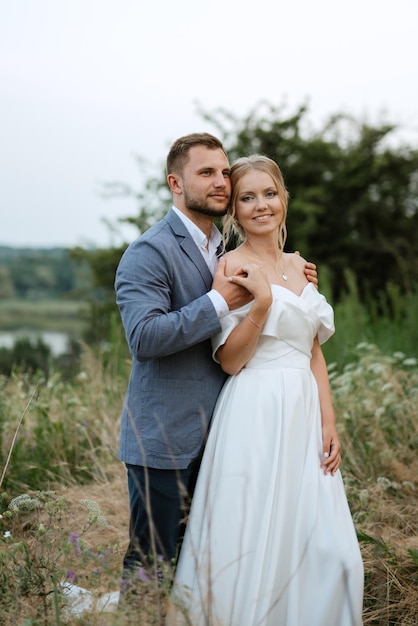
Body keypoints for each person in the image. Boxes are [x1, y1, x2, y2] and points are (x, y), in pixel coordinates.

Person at [114, 135, 318, 592]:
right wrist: (216, 301)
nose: (221, 182)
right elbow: (144, 338)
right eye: (206, 172)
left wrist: (292, 284)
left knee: (201, 567)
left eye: (225, 172)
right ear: (175, 182)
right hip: (163, 440)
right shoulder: (149, 251)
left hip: (225, 435)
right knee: (152, 566)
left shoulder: (221, 247)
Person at [168, 155, 364, 626]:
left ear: (283, 199)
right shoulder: (230, 266)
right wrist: (263, 302)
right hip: (255, 408)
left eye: (269, 194)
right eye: (247, 198)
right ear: (233, 210)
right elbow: (231, 361)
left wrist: (329, 419)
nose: (261, 206)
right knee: (252, 530)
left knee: (335, 551)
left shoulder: (302, 266)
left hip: (304, 410)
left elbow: (312, 350)